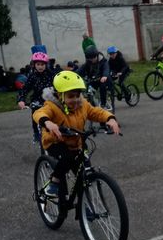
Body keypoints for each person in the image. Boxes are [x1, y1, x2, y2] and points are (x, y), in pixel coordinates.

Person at [32, 70, 120, 198]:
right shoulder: (52, 106)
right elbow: (38, 113)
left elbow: (96, 112)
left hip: (76, 142)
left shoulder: (82, 104)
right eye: (70, 96)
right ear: (59, 95)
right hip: (56, 141)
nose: (75, 99)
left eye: (78, 95)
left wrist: (110, 118)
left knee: (84, 173)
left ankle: (86, 207)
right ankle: (54, 181)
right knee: (67, 158)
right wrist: (48, 123)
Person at [18, 52, 55, 142]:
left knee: (57, 115)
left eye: (42, 64)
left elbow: (59, 85)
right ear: (34, 65)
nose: (40, 67)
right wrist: (21, 100)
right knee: (35, 113)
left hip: (50, 100)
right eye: (38, 64)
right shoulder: (32, 76)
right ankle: (36, 133)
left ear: (46, 65)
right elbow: (25, 89)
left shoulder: (51, 75)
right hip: (37, 100)